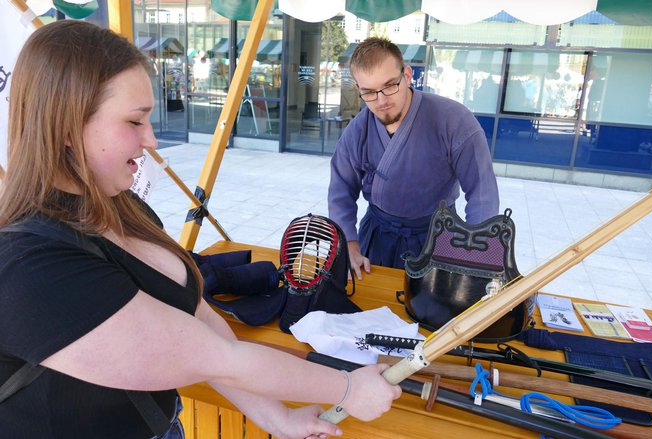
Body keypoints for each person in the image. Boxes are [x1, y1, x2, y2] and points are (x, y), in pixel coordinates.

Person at [0, 21, 400, 439]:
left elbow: (200, 317)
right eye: (135, 122)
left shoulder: (124, 206)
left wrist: (278, 418)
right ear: (67, 129)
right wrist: (348, 387)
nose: (151, 139)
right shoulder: (28, 267)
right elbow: (218, 358)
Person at [328, 37, 499, 279]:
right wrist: (349, 243)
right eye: (369, 92)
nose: (381, 100)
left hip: (439, 237)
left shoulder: (454, 120)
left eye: (390, 86)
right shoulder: (358, 131)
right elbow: (340, 191)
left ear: (407, 75)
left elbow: (483, 192)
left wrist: (476, 252)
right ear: (358, 89)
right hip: (378, 237)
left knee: (437, 313)